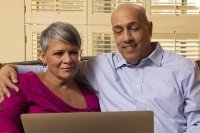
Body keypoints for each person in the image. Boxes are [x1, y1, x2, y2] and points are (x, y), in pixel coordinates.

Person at [0, 3, 200, 133]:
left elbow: (197, 123)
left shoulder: (184, 69)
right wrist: (9, 68)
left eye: (134, 28)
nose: (126, 38)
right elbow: (54, 70)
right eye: (118, 31)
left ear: (149, 28)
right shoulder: (100, 65)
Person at [0, 22, 100, 133]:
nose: (68, 60)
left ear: (80, 54)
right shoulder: (22, 84)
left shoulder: (91, 95)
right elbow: (5, 121)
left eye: (73, 52)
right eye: (59, 53)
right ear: (43, 56)